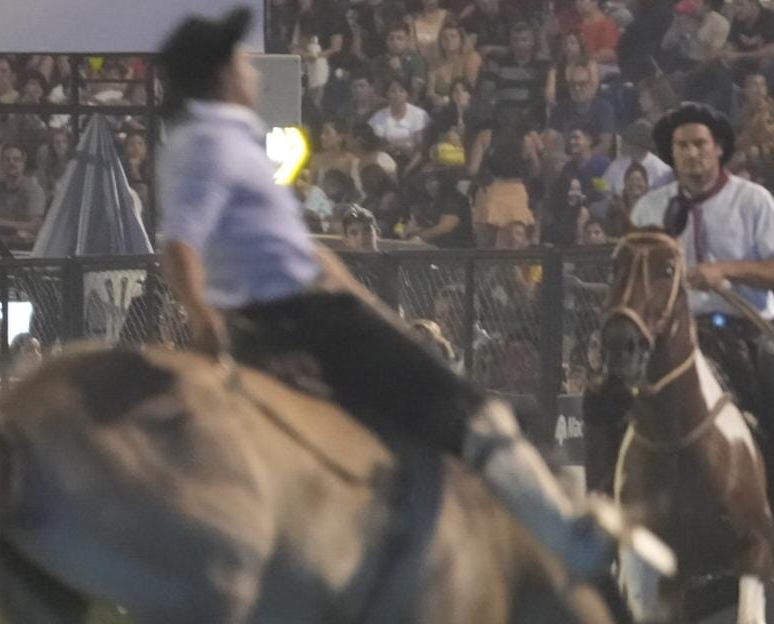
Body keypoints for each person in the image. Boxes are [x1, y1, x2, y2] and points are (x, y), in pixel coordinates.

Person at [156, 7, 624, 574]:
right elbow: (180, 241)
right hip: (304, 319)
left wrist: (372, 308)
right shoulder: (213, 142)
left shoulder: (210, 142)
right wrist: (206, 325)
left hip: (299, 313)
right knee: (477, 415)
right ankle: (573, 548)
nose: (252, 73)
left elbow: (307, 251)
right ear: (221, 76)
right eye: (240, 61)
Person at [619, 103, 774, 563]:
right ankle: (607, 509)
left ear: (719, 149)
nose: (691, 155)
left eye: (699, 144)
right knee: (606, 395)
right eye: (681, 147)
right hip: (669, 336)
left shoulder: (753, 200)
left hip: (740, 327)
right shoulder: (650, 208)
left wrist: (726, 270)